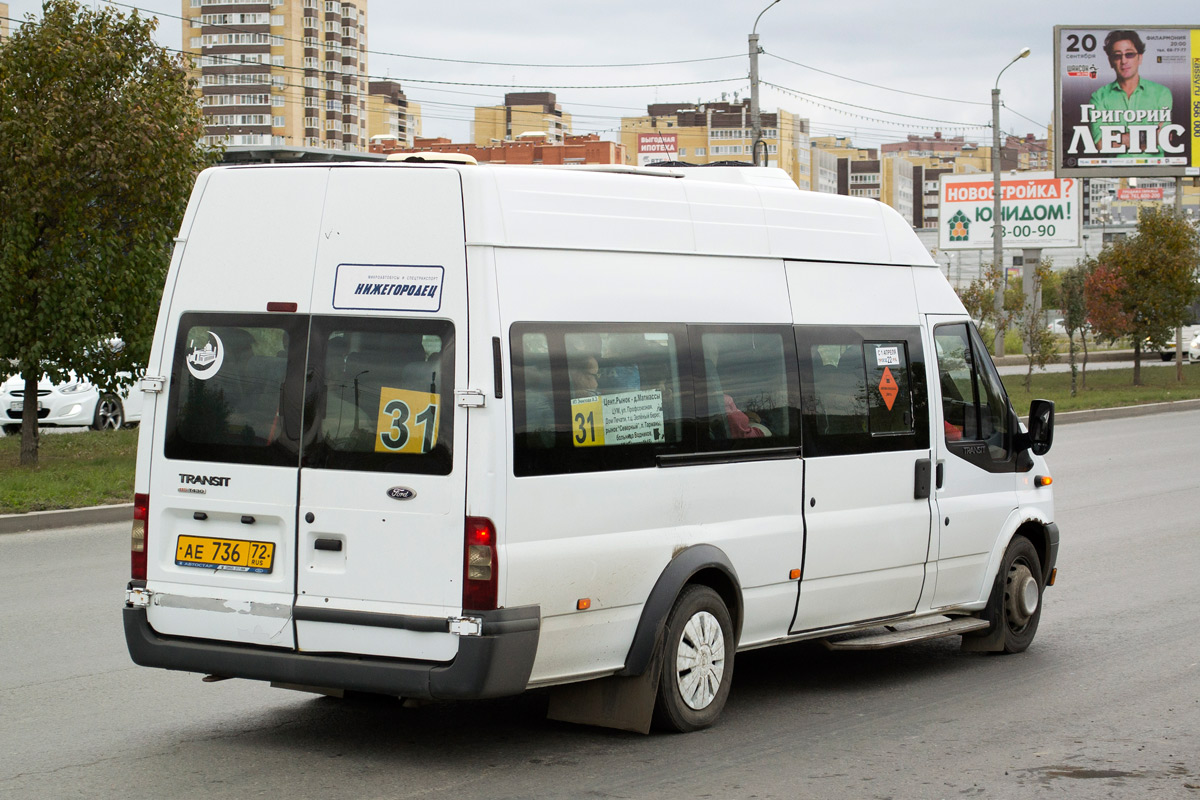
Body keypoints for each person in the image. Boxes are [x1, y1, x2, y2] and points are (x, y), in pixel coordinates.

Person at [1088, 30, 1173, 157]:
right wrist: (1148, 137)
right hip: (1114, 175)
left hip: (1155, 174)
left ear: (1140, 58)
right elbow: (1101, 144)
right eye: (1117, 56)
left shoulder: (1161, 93)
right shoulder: (1099, 97)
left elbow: (1163, 137)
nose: (1123, 61)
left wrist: (1119, 139)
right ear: (1110, 61)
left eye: (1129, 54)